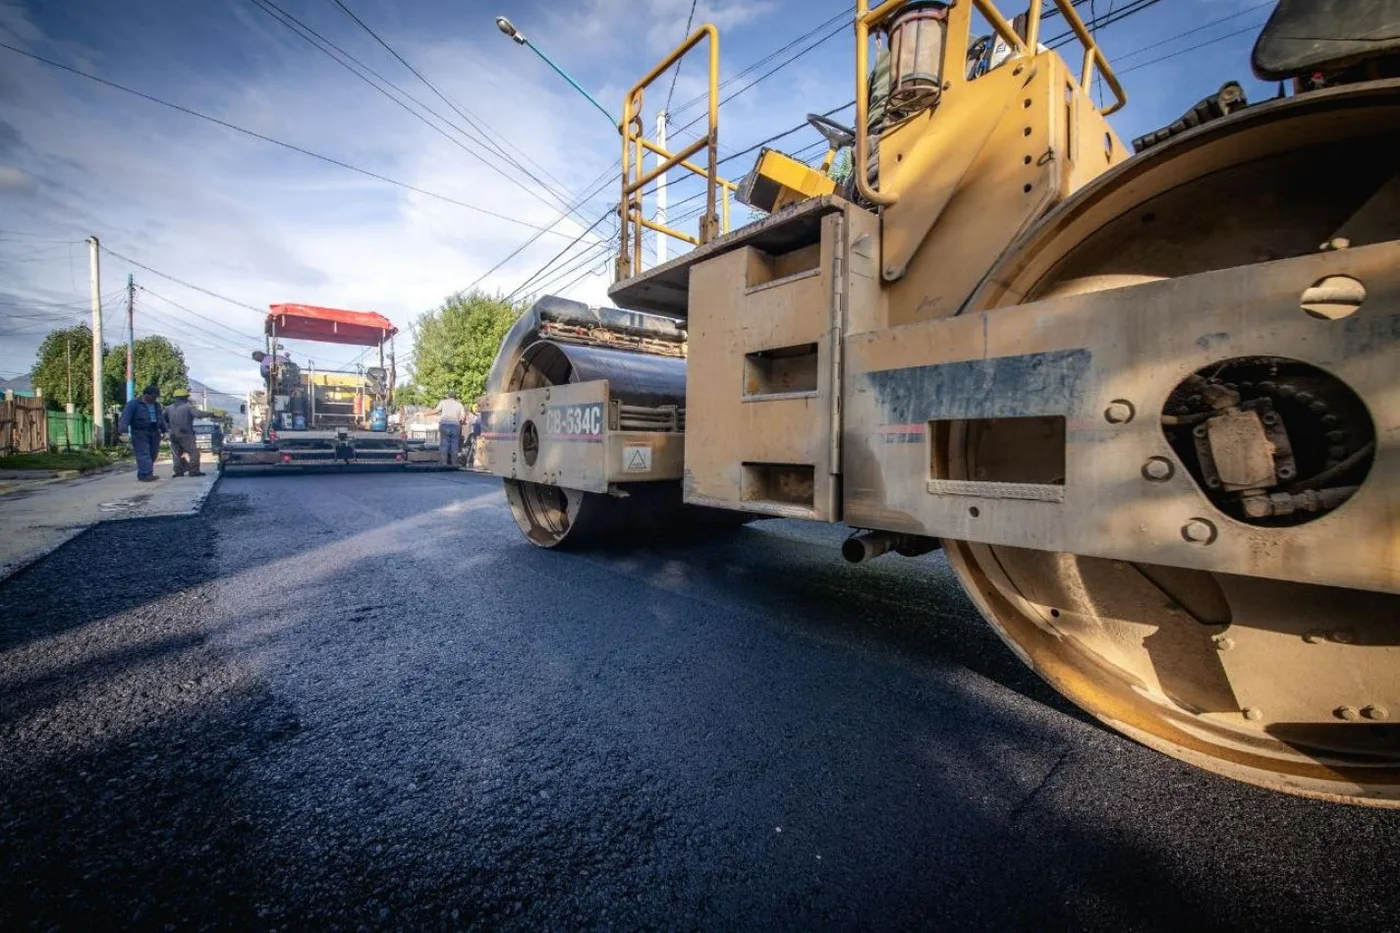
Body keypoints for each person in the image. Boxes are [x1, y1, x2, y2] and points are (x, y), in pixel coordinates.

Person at [118, 384, 165, 482]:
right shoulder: (134, 404)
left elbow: (161, 418)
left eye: (156, 397)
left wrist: (166, 430)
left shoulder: (156, 405)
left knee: (153, 454)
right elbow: (125, 418)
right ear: (146, 395)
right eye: (153, 396)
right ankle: (146, 474)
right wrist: (124, 432)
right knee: (143, 453)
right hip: (140, 432)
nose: (155, 399)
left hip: (155, 432)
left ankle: (143, 474)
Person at [163, 388, 209, 477]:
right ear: (184, 397)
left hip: (173, 435)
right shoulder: (188, 407)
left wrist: (166, 429)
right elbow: (199, 414)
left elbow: (163, 420)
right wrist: (212, 414)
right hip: (186, 435)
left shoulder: (168, 408)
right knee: (194, 453)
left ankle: (178, 471)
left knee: (176, 453)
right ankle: (194, 471)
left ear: (175, 398)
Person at [426, 391, 466, 467]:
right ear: (455, 397)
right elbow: (463, 417)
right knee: (454, 445)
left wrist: (426, 414)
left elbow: (436, 411)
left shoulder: (443, 402)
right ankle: (454, 463)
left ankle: (443, 463)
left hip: (445, 424)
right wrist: (461, 422)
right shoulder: (459, 404)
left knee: (444, 444)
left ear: (448, 396)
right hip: (455, 425)